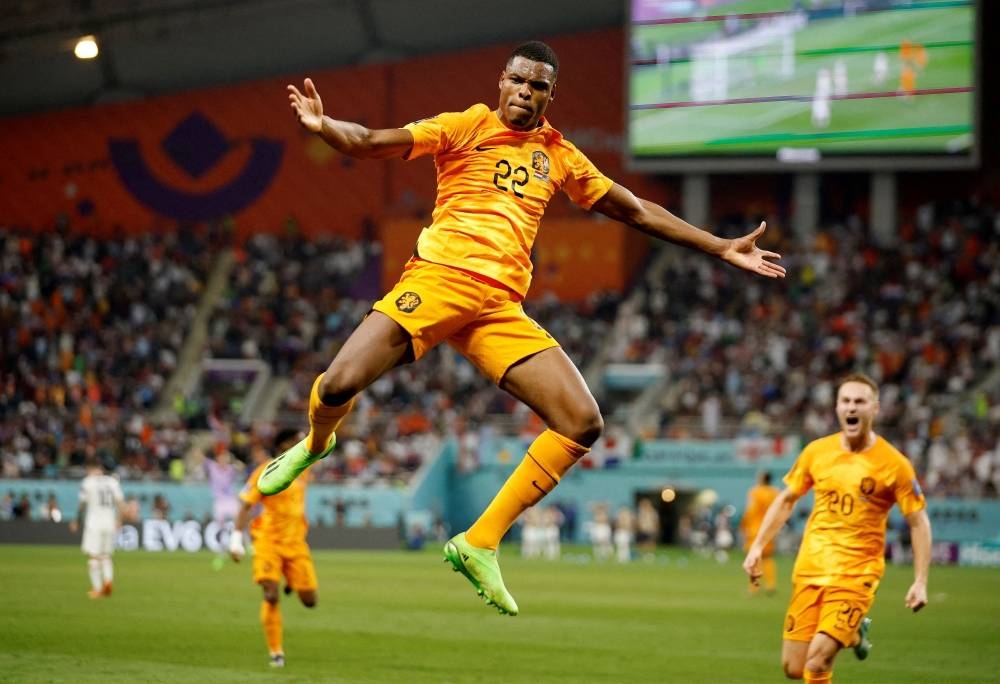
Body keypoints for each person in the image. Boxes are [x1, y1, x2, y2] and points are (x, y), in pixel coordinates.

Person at [262, 40, 785, 616]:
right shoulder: (467, 125)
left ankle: (479, 542)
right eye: (517, 80)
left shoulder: (559, 155)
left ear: (549, 96)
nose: (524, 92)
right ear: (502, 80)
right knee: (337, 386)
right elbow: (372, 142)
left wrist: (719, 246)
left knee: (582, 421)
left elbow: (634, 209)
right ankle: (315, 444)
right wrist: (323, 124)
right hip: (437, 282)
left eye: (537, 86)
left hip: (498, 309)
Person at [742, 373, 932, 683]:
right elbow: (787, 500)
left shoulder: (894, 464)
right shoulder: (817, 452)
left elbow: (918, 520)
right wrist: (757, 547)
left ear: (875, 409)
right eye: (845, 401)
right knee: (794, 668)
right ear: (837, 407)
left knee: (817, 663)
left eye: (860, 401)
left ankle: (849, 630)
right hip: (810, 570)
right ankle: (855, 634)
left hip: (856, 576)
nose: (851, 407)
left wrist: (920, 580)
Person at [230, 429, 318, 668]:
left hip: (296, 542)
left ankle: (291, 580)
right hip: (268, 540)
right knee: (270, 594)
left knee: (310, 600)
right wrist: (236, 539)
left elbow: (321, 441)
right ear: (282, 445)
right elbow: (245, 505)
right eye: (293, 441)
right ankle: (276, 652)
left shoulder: (304, 467)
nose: (299, 444)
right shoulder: (264, 471)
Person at [69, 457, 125, 599]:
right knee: (106, 555)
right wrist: (119, 520)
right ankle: (108, 580)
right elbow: (120, 503)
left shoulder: (88, 482)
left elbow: (82, 504)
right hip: (109, 522)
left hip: (94, 523)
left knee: (94, 556)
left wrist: (76, 520)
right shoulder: (112, 482)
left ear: (90, 469)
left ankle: (98, 589)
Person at [740, 471, 780, 595]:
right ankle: (771, 585)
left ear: (762, 479)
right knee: (768, 557)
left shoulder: (755, 492)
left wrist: (744, 524)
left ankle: (754, 587)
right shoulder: (775, 493)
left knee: (753, 558)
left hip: (755, 528)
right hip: (770, 528)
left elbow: (751, 510)